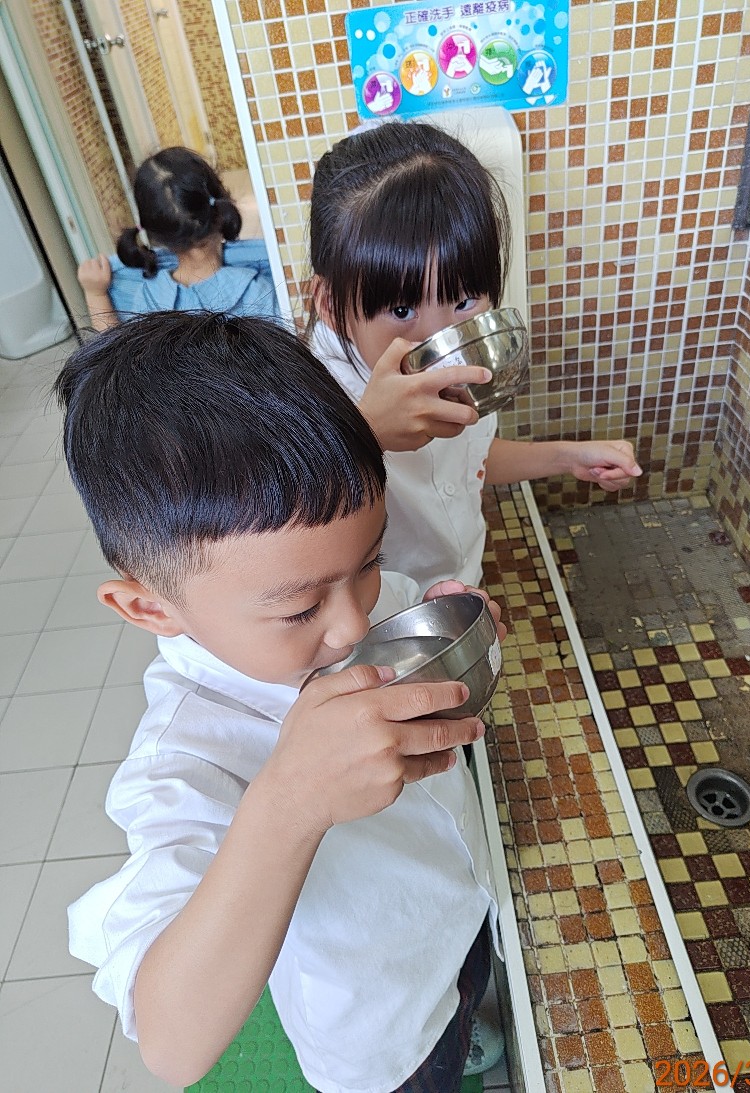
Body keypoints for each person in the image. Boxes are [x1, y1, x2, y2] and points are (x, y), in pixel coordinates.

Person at [59, 311, 508, 1093]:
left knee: (467, 994)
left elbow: (385, 608)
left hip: (452, 909)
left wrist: (440, 611)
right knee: (426, 1065)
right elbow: (171, 1043)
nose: (354, 623)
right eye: (300, 609)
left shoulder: (355, 604)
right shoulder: (187, 756)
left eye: (368, 561)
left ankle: (465, 1018)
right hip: (380, 1030)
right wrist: (289, 802)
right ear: (149, 608)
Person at [309, 121, 643, 591]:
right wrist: (366, 436)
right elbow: (277, 538)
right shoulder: (307, 400)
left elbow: (467, 465)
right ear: (331, 305)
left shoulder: (471, 358)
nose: (441, 337)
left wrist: (568, 458)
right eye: (402, 310)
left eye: (465, 300)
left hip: (460, 586)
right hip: (382, 619)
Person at [77, 147, 278, 331]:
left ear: (154, 232)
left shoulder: (147, 302)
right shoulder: (259, 292)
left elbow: (118, 352)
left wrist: (96, 295)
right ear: (221, 206)